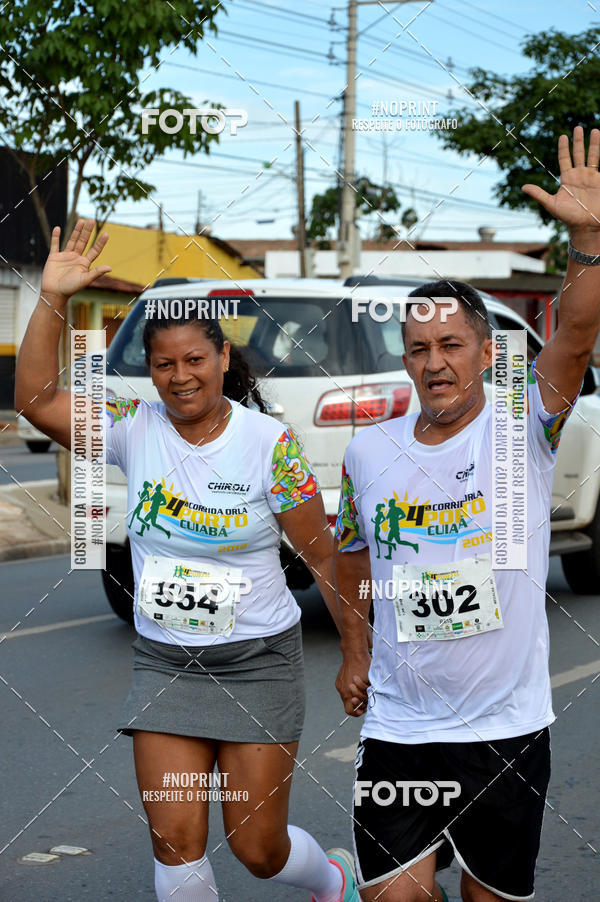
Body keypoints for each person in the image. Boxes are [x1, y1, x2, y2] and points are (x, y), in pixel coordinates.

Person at [14, 219, 359, 902]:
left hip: (258, 661)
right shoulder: (131, 427)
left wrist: (357, 654)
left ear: (223, 360)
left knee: (258, 849)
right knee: (175, 840)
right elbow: (34, 400)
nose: (180, 377)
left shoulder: (270, 446)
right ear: (151, 372)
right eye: (164, 364)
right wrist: (51, 297)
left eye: (194, 360)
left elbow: (324, 556)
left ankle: (333, 880)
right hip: (168, 662)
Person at [334, 126, 600, 902]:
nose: (434, 362)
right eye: (418, 348)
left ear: (485, 351)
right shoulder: (368, 452)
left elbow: (577, 332)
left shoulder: (523, 423)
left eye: (451, 343)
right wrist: (354, 650)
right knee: (395, 897)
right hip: (399, 730)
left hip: (504, 731)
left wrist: (585, 240)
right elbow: (350, 554)